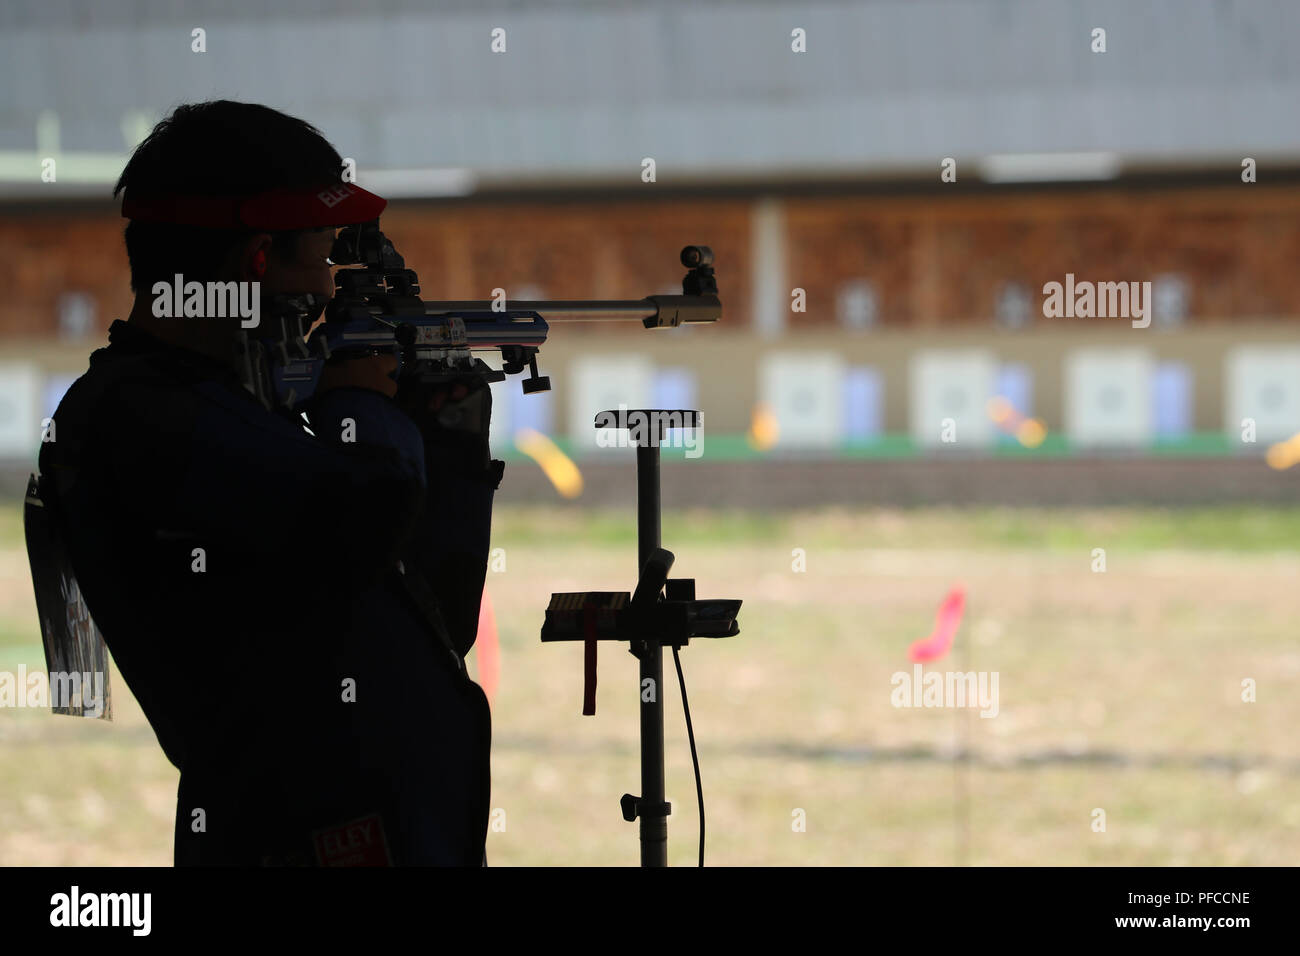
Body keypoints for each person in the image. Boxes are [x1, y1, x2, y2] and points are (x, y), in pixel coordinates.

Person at [37, 100, 501, 866]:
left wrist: (444, 445)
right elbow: (365, 520)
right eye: (320, 259)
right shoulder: (140, 415)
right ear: (257, 260)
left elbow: (432, 622)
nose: (326, 292)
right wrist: (360, 406)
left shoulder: (230, 410)